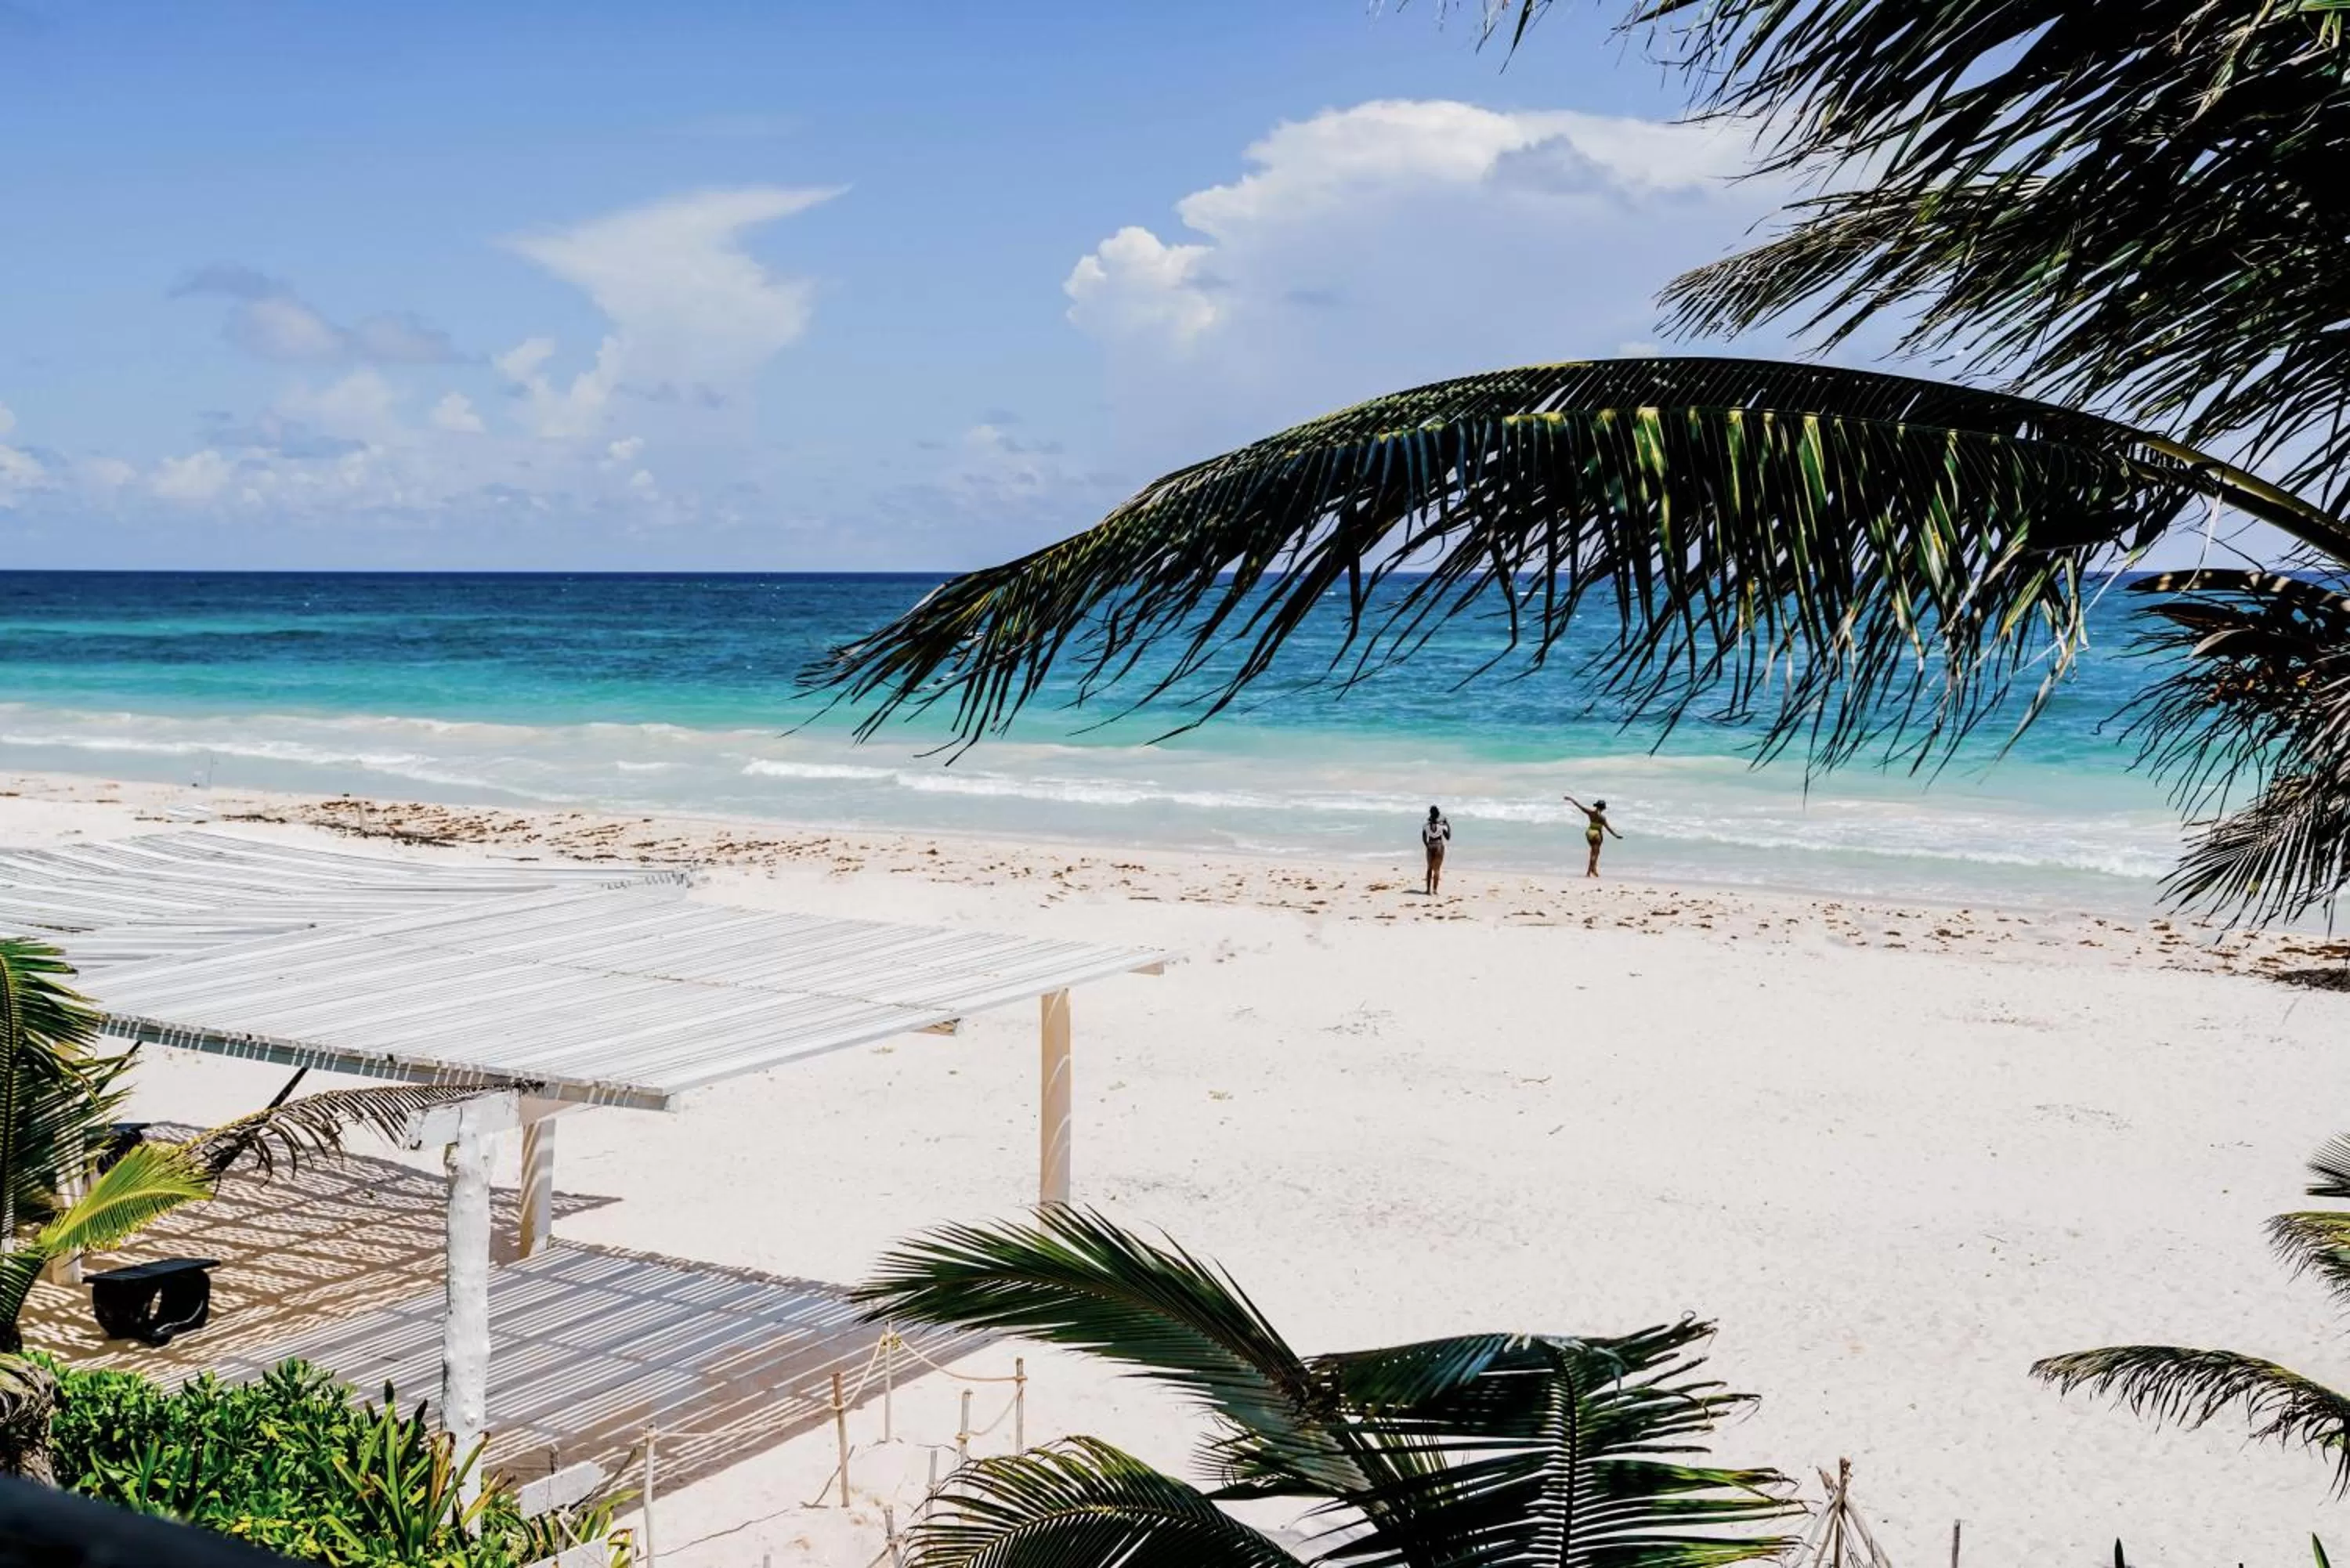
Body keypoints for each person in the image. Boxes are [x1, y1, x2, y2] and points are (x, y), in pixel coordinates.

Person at [1562, 794, 1622, 878]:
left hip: (1589, 833)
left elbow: (1579, 806)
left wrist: (1571, 799)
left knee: (1593, 853)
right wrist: (1616, 836)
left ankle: (1594, 870)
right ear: (1603, 808)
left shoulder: (1590, 813)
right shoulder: (1602, 818)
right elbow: (1608, 828)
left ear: (1596, 806)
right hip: (1597, 834)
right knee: (1595, 854)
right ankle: (1589, 873)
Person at [1420, 804, 1452, 896]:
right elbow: (1448, 837)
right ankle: (1435, 890)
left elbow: (1424, 838)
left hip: (1430, 845)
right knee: (1437, 869)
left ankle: (1428, 890)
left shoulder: (1425, 826)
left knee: (1429, 868)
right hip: (1439, 846)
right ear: (1438, 815)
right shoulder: (1442, 826)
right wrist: (1448, 825)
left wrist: (1428, 846)